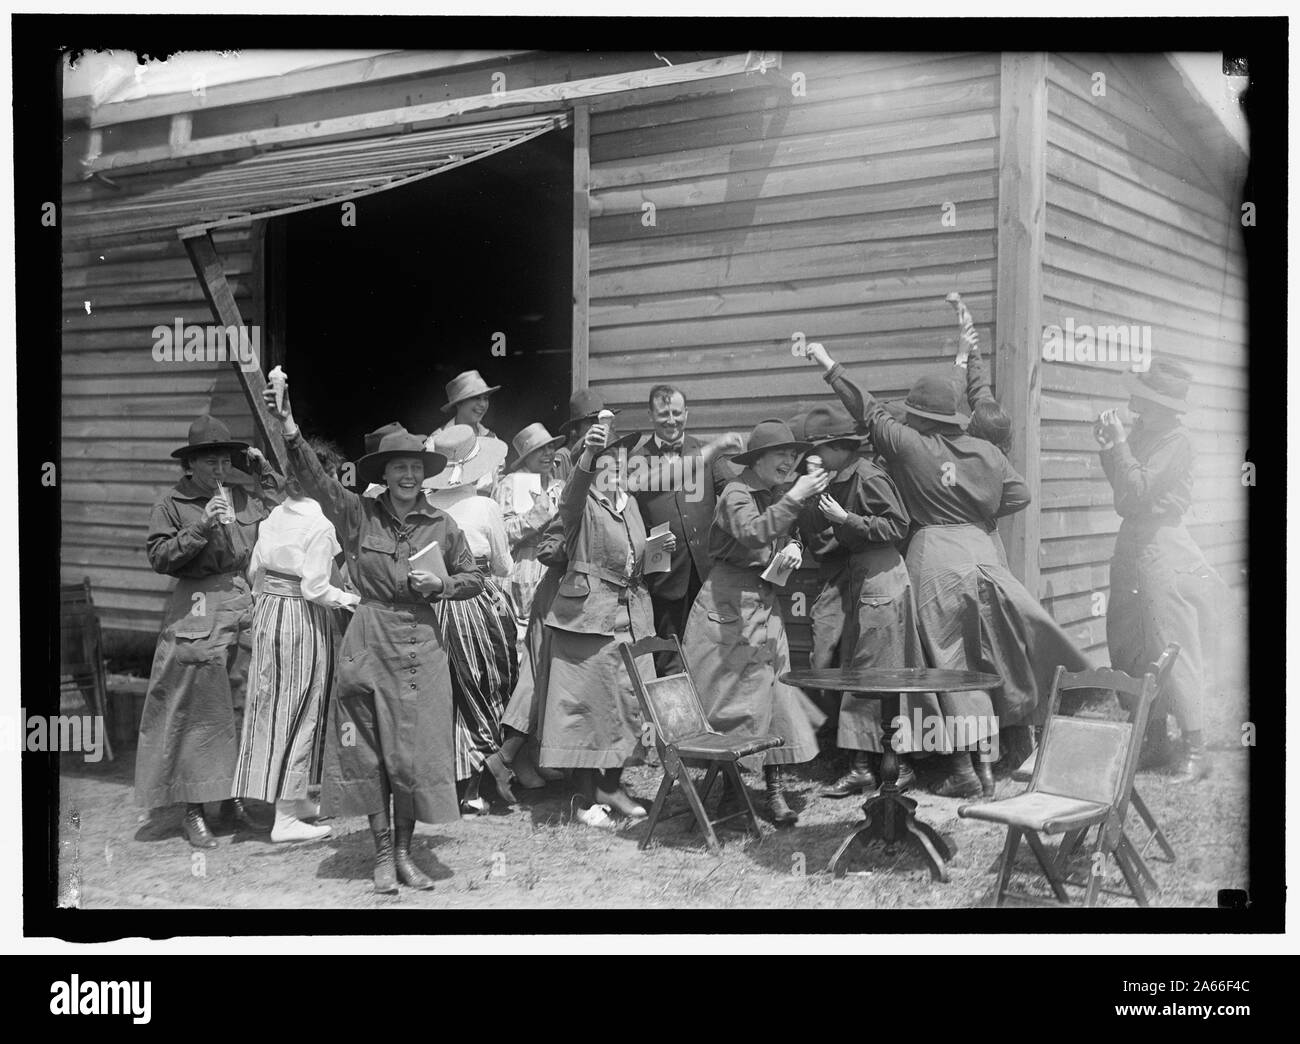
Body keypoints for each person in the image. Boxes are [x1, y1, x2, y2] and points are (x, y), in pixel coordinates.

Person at [807, 342, 1092, 798]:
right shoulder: (986, 451)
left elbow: (868, 410)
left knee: (942, 665)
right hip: (981, 552)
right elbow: (1019, 496)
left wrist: (828, 365)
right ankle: (986, 768)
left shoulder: (909, 443)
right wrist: (979, 512)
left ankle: (963, 771)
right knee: (986, 661)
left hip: (933, 556)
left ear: (920, 418)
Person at [263, 376, 483, 894]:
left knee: (413, 752)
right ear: (383, 475)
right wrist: (290, 430)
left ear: (424, 475)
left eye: (414, 468)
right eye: (398, 468)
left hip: (423, 649)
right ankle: (382, 854)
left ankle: (406, 853)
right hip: (369, 639)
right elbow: (317, 483)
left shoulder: (444, 526)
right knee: (369, 750)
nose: (407, 475)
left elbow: (475, 578)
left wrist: (444, 583)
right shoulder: (358, 515)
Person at [135, 416, 283, 848]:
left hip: (240, 602)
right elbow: (160, 557)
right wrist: (201, 527)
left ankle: (231, 797)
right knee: (198, 709)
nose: (220, 469)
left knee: (240, 701)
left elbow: (279, 510)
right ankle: (193, 810)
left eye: (225, 461)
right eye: (211, 462)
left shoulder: (240, 495)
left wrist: (261, 472)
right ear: (191, 465)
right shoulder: (173, 503)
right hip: (197, 606)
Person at [680, 419, 831, 826]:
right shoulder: (735, 492)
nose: (790, 461)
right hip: (728, 607)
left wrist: (795, 547)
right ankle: (731, 793)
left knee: (775, 692)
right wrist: (797, 494)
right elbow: (752, 532)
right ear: (759, 459)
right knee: (733, 700)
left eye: (793, 455)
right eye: (781, 454)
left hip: (765, 600)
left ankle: (774, 791)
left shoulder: (773, 492)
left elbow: (783, 532)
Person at [791, 405, 930, 799]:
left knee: (877, 672)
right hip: (861, 576)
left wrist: (847, 517)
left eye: (820, 451)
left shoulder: (867, 476)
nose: (814, 459)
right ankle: (862, 766)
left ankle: (891, 767)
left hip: (880, 577)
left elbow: (897, 524)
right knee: (860, 670)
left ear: (839, 447)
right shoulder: (839, 477)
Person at [538, 416, 667, 829]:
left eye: (623, 462)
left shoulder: (629, 505)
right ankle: (581, 798)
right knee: (584, 709)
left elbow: (635, 559)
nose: (619, 470)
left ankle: (611, 785)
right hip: (587, 618)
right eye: (609, 462)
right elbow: (571, 496)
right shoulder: (580, 503)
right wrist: (590, 453)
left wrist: (658, 551)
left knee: (628, 704)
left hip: (631, 615)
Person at [1096, 358, 1221, 783]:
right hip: (1131, 543)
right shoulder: (1145, 434)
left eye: (1141, 399)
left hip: (1162, 545)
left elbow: (1136, 492)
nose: (1132, 406)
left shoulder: (1176, 440)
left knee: (1171, 642)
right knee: (1129, 641)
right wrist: (1110, 448)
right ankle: (1153, 739)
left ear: (1160, 404)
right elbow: (1123, 496)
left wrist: (1120, 446)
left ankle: (1195, 746)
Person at [234, 441, 361, 843]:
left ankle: (293, 798)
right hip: (299, 616)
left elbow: (255, 568)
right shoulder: (320, 525)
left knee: (271, 703)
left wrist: (263, 605)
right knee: (301, 704)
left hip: (269, 613)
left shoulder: (273, 516)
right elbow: (317, 587)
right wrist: (352, 600)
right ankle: (286, 817)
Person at [422, 425, 519, 813]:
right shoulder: (484, 506)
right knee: (489, 683)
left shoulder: (427, 507)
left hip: (434, 601)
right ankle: (480, 780)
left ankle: (460, 784)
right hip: (475, 598)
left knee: (451, 692)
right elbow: (504, 566)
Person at [625, 384, 743, 675]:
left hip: (707, 571)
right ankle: (672, 718)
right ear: (650, 415)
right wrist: (646, 548)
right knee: (668, 655)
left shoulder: (706, 454)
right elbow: (628, 514)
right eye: (663, 413)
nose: (671, 420)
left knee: (710, 652)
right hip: (663, 574)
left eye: (677, 413)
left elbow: (733, 491)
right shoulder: (636, 460)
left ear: (687, 414)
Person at [488, 422, 568, 790]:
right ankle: (513, 757)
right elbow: (503, 533)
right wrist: (539, 515)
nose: (549, 455)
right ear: (525, 457)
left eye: (552, 449)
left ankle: (534, 752)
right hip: (520, 577)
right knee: (521, 665)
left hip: (551, 578)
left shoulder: (560, 484)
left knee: (545, 663)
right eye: (541, 451)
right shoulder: (508, 486)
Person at [434, 370, 505, 494]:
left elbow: (498, 482)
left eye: (485, 398)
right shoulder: (437, 441)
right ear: (459, 403)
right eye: (476, 398)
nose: (482, 404)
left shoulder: (492, 439)